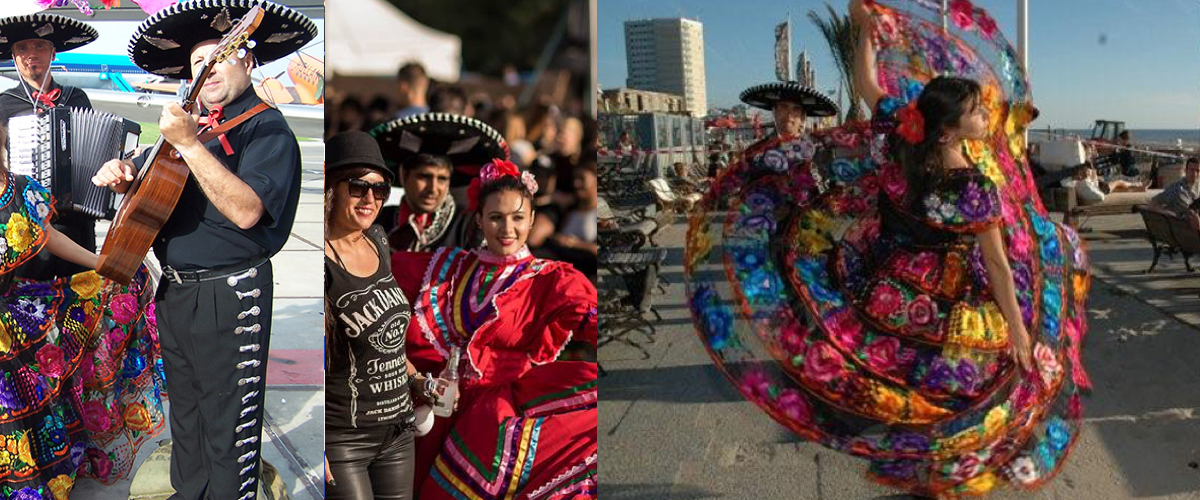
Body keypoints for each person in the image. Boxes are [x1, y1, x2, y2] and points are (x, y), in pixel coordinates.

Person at [683, 0, 1091, 497]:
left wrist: (866, 32)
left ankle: (914, 458)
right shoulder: (974, 187)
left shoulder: (900, 134)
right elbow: (999, 267)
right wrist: (1019, 331)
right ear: (949, 129)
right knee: (962, 386)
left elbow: (866, 83)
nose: (986, 115)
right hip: (943, 301)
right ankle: (930, 466)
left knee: (902, 378)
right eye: (976, 111)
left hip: (886, 286)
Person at [91, 2, 316, 499]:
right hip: (177, 292)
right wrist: (122, 175)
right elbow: (152, 182)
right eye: (197, 66)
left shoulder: (267, 129)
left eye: (219, 58)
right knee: (187, 415)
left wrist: (190, 147)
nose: (207, 72)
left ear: (248, 61)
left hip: (230, 293)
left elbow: (247, 211)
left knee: (228, 421)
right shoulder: (200, 126)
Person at [391, 159, 598, 500]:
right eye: (496, 217)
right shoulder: (447, 267)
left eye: (518, 218)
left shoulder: (552, 280)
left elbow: (593, 319)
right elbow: (379, 276)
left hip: (494, 424)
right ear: (479, 220)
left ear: (532, 219)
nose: (507, 228)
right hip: (434, 411)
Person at [0, 116, 161, 497]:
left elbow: (50, 236)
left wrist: (100, 265)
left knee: (23, 406)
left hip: (15, 316)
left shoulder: (21, 188)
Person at [325, 131, 442, 500]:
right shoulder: (322, 264)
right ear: (332, 187)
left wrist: (419, 382)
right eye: (359, 187)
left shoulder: (378, 239)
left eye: (381, 190)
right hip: (344, 440)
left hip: (398, 431)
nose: (371, 199)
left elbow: (388, 347)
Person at [0, 13, 102, 281]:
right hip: (30, 223)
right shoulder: (5, 104)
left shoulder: (76, 97)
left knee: (78, 296)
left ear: (53, 53)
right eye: (22, 48)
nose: (31, 54)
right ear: (14, 56)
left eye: (39, 46)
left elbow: (93, 147)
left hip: (76, 218)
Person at [373, 113, 504, 251]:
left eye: (442, 179)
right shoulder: (379, 222)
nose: (433, 189)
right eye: (424, 177)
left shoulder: (469, 226)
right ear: (403, 174)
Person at [1150, 157, 1200, 229]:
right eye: (1192, 170)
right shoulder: (1176, 188)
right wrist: (1165, 213)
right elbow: (1154, 201)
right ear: (1185, 170)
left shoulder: (1198, 186)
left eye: (1197, 171)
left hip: (1192, 226)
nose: (1195, 174)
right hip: (1185, 228)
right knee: (1193, 215)